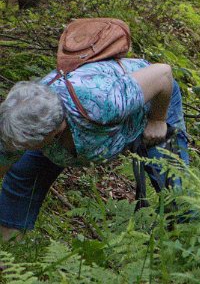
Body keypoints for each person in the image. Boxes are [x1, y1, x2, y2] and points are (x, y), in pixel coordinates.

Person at [0, 59, 189, 240]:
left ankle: (193, 248)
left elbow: (163, 73)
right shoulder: (20, 118)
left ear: (52, 133)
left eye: (26, 145)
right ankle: (10, 254)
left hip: (154, 101)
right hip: (90, 125)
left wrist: (157, 119)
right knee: (24, 174)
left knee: (174, 189)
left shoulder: (104, 101)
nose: (18, 149)